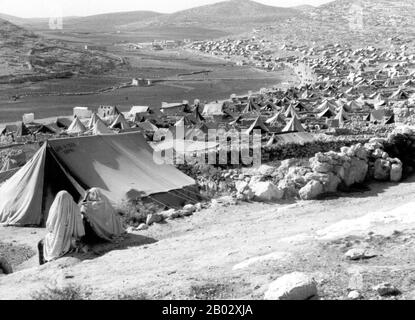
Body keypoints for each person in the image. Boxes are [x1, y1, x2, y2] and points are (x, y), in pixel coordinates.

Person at [38, 191, 85, 265]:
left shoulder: (56, 208)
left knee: (41, 243)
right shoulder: (75, 208)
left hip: (57, 242)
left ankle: (43, 264)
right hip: (71, 240)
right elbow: (80, 231)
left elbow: (50, 227)